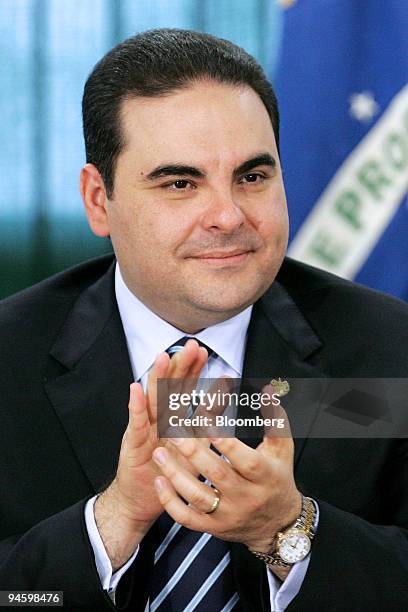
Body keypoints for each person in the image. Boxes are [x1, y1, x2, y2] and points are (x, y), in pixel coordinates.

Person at [0, 28, 407, 612]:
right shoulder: (9, 358)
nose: (227, 215)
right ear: (98, 201)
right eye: (180, 183)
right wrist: (109, 525)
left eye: (252, 177)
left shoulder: (391, 352)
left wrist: (290, 533)